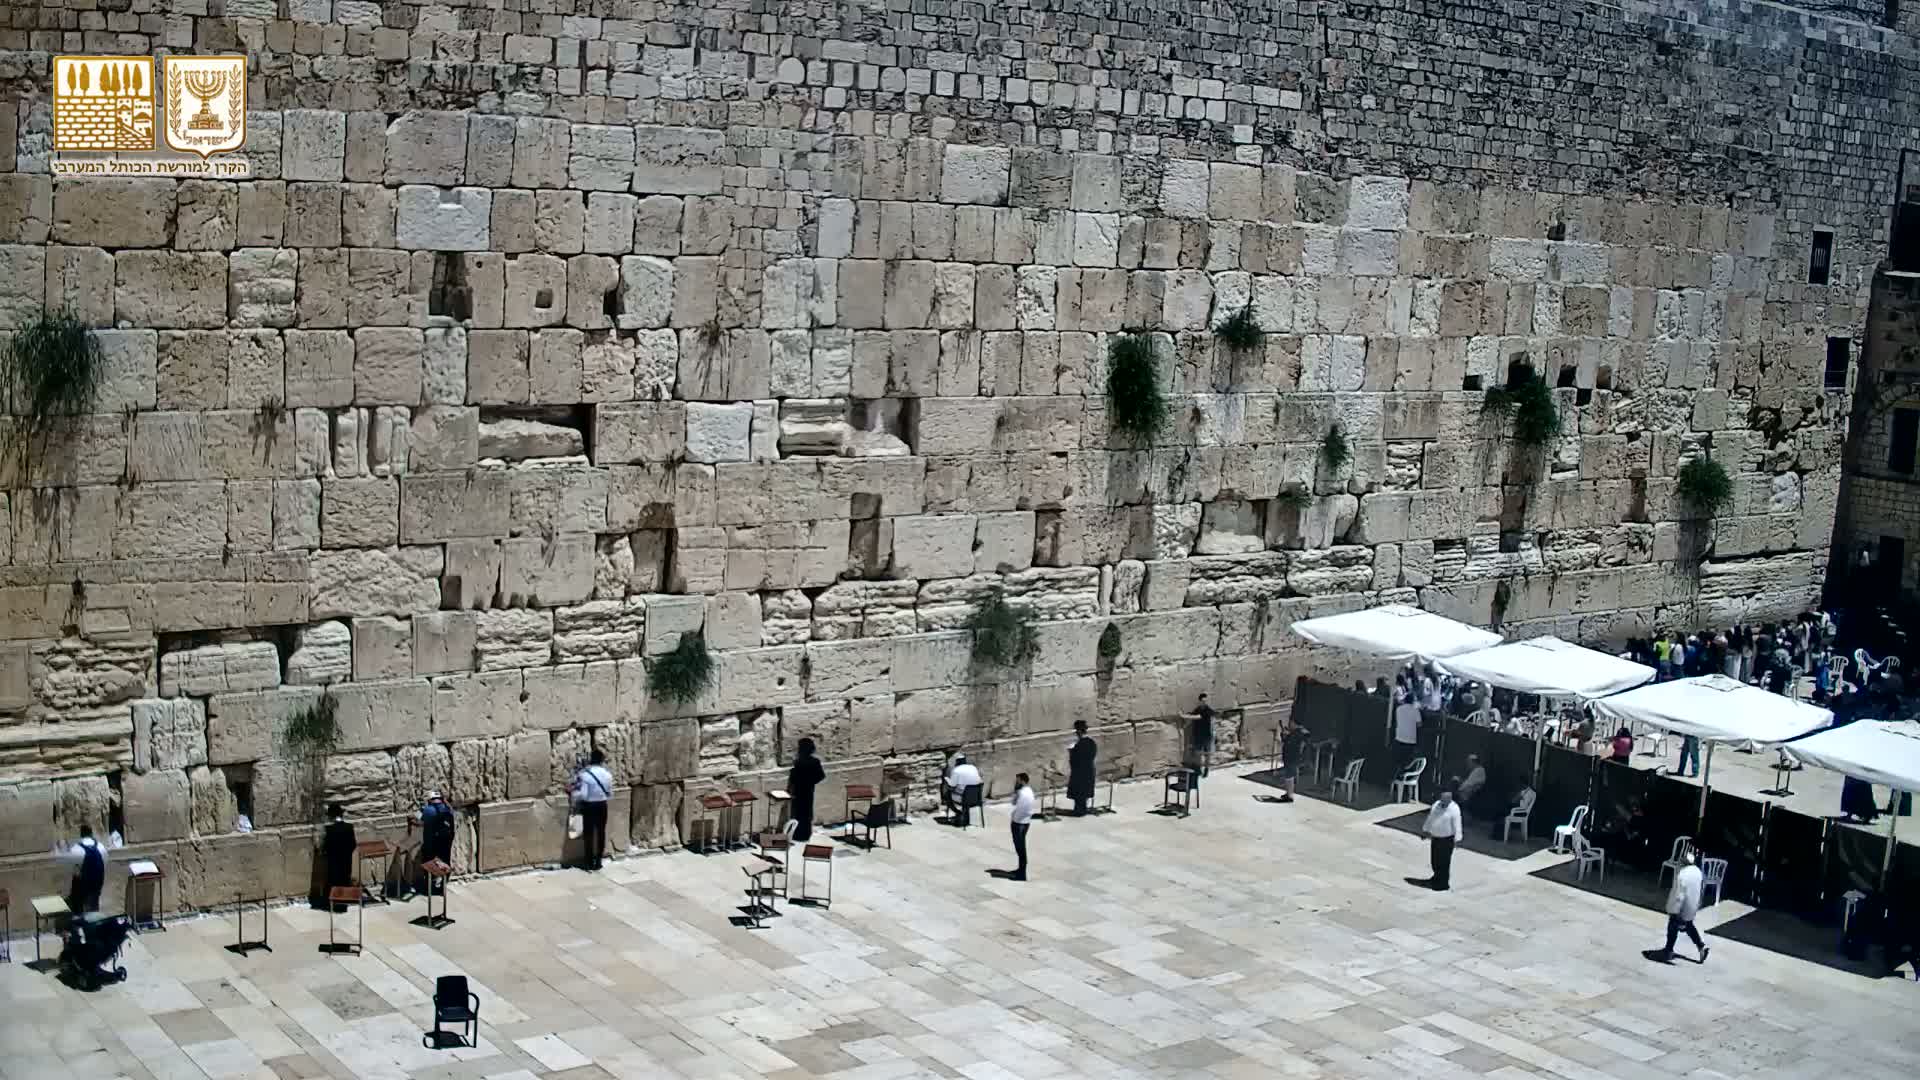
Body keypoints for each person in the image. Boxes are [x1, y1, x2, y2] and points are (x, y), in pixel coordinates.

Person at [1656, 852, 1710, 964]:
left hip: (1680, 907)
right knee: (1689, 926)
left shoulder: (1682, 874)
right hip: (1692, 906)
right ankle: (1701, 947)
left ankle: (1668, 950)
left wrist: (1676, 911)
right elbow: (1701, 890)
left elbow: (1679, 895)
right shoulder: (1698, 872)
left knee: (1672, 926)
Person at [572, 749, 615, 871]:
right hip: (602, 806)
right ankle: (599, 861)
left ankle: (589, 861)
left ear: (591, 759)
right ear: (602, 760)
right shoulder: (608, 775)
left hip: (589, 806)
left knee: (589, 834)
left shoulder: (585, 775)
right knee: (601, 832)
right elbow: (610, 794)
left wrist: (575, 794)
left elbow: (584, 795)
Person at [59, 825, 108, 915]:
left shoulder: (76, 849)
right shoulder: (101, 847)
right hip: (97, 885)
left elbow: (71, 870)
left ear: (81, 834)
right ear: (91, 833)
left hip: (83, 887)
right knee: (94, 908)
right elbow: (105, 864)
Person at [1421, 789, 1463, 891]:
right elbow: (1430, 818)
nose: (1445, 801)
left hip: (1447, 840)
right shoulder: (1436, 805)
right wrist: (1425, 830)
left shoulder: (1454, 809)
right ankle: (1436, 878)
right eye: (1443, 799)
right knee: (1435, 860)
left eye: (1447, 799)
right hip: (1436, 838)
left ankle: (1443, 884)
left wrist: (1457, 839)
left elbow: (1457, 825)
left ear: (1450, 799)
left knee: (1444, 862)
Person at [786, 737, 826, 842]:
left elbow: (794, 778)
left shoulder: (798, 762)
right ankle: (806, 834)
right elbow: (821, 775)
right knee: (807, 812)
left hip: (799, 790)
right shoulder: (815, 761)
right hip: (808, 790)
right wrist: (811, 781)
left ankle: (798, 834)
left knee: (798, 812)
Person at [321, 802, 357, 901]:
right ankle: (345, 898)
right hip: (346, 860)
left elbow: (326, 846)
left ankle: (335, 902)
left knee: (334, 881)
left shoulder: (329, 829)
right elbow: (353, 844)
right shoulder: (349, 827)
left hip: (334, 861)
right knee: (345, 878)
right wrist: (346, 853)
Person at [1008, 772, 1035, 881]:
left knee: (1020, 849)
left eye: (1018, 780)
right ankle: (1020, 870)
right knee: (1021, 848)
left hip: (1018, 823)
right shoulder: (1029, 791)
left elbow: (1014, 803)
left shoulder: (1020, 793)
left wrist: (1015, 791)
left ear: (1022, 780)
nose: (1016, 782)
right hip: (1026, 822)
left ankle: (1022, 874)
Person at [1067, 721, 1097, 815]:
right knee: (1084, 792)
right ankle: (1082, 809)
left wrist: (1071, 752)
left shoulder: (1079, 745)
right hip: (1089, 770)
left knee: (1079, 792)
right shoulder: (1092, 742)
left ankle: (1079, 811)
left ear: (1078, 731)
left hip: (1080, 772)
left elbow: (1075, 760)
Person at [1277, 718, 1309, 803]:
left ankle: (1290, 795)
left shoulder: (1299, 733)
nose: (1289, 724)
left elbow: (1291, 743)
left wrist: (1286, 736)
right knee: (1288, 776)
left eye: (1291, 723)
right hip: (1291, 757)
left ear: (1294, 723)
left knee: (1289, 776)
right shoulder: (1296, 732)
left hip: (1292, 757)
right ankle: (1288, 793)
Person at [945, 753, 983, 820]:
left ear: (957, 761)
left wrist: (947, 779)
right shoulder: (973, 767)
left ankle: (959, 813)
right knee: (966, 791)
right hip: (976, 798)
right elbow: (980, 781)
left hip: (963, 798)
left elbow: (952, 784)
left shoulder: (956, 770)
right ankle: (965, 814)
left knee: (947, 794)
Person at [1392, 689, 1422, 774]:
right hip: (1410, 741)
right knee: (1407, 763)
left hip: (1399, 738)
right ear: (1413, 701)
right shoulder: (1415, 711)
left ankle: (1395, 779)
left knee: (1397, 762)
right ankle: (1402, 779)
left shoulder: (1399, 709)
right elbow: (1419, 725)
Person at [1189, 694, 1215, 780]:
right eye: (1203, 701)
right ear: (1200, 701)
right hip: (1198, 735)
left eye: (1205, 701)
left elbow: (1197, 717)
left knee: (1207, 754)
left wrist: (1184, 716)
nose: (1204, 702)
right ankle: (1198, 769)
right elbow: (1194, 715)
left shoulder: (1208, 710)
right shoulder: (1197, 709)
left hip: (1207, 735)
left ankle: (1206, 769)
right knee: (1198, 753)